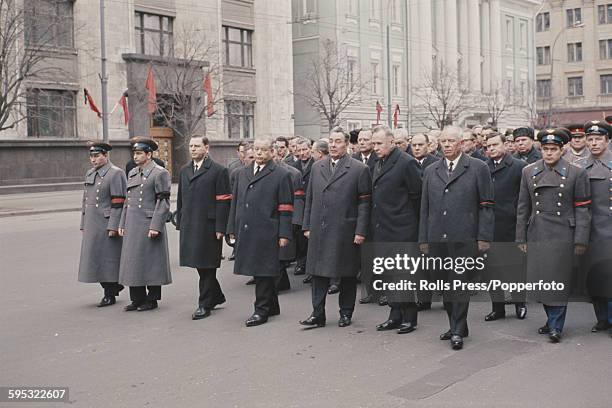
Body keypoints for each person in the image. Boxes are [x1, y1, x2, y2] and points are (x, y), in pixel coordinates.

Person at [419, 125, 495, 350]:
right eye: (443, 141)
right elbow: (425, 208)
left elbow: (487, 205)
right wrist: (423, 238)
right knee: (443, 283)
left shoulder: (477, 167)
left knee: (459, 284)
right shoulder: (432, 170)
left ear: (461, 143)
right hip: (437, 237)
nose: (447, 145)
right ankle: (457, 324)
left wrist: (483, 237)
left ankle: (457, 329)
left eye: (451, 141)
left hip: (465, 236)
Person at [516, 128, 591, 343]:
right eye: (546, 149)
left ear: (562, 149)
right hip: (538, 231)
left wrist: (580, 239)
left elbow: (583, 209)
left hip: (563, 232)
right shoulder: (528, 171)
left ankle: (556, 325)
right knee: (543, 280)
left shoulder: (576, 173)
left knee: (557, 279)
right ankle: (551, 320)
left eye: (554, 149)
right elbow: (523, 207)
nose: (549, 153)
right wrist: (520, 237)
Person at [300, 127, 372, 328]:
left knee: (346, 273)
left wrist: (360, 231)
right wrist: (307, 225)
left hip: (344, 230)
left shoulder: (358, 169)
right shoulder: (317, 167)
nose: (333, 145)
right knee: (318, 273)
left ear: (347, 144)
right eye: (331, 141)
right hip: (319, 228)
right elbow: (310, 199)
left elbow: (364, 204)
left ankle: (346, 313)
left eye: (338, 141)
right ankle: (317, 313)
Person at [227, 138, 294, 327]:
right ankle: (272, 305)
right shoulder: (241, 173)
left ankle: (261, 309)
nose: (259, 153)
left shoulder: (281, 174)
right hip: (246, 228)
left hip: (268, 230)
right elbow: (236, 202)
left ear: (272, 152)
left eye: (263, 150)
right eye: (256, 149)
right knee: (260, 269)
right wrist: (231, 228)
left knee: (263, 270)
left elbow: (286, 207)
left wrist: (284, 234)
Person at [368, 125, 422, 334]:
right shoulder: (378, 162)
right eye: (373, 143)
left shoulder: (406, 163)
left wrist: (413, 228)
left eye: (379, 143)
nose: (375, 147)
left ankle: (410, 317)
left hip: (403, 229)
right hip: (383, 228)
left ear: (392, 142)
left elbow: (417, 196)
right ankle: (394, 314)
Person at [175, 135, 231, 320]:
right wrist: (180, 220)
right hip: (191, 224)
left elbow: (224, 201)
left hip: (209, 226)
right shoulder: (184, 170)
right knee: (199, 264)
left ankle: (204, 304)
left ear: (206, 148)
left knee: (208, 265)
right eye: (191, 146)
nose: (193, 149)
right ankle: (216, 296)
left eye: (197, 146)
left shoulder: (218, 171)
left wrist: (221, 227)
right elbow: (181, 199)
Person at [118, 138, 172, 312]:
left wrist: (156, 225)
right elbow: (128, 201)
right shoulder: (132, 172)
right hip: (133, 223)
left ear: (149, 154)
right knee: (133, 262)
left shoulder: (159, 173)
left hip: (149, 223)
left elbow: (163, 202)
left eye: (140, 153)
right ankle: (137, 298)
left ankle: (152, 299)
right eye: (135, 153)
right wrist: (122, 222)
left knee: (151, 262)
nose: (136, 156)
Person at [483, 132, 528, 321]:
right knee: (492, 269)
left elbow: (525, 200)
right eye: (488, 146)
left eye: (495, 145)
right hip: (489, 226)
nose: (491, 149)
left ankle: (519, 304)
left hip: (510, 225)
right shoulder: (483, 168)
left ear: (504, 145)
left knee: (514, 268)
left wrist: (521, 227)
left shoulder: (519, 167)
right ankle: (498, 307)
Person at [78, 142, 126, 307]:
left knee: (108, 260)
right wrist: (83, 223)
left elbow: (119, 201)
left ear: (106, 155)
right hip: (92, 223)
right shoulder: (90, 173)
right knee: (93, 259)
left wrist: (114, 225)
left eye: (97, 156)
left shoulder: (116, 173)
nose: (93, 159)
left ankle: (110, 293)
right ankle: (114, 286)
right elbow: (85, 201)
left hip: (106, 223)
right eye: (91, 156)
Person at [583, 121, 612, 337]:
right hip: (590, 232)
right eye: (590, 139)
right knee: (594, 279)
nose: (593, 143)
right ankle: (601, 319)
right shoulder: (580, 168)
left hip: (609, 230)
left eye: (598, 139)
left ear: (607, 140)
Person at [293, 138, 314, 276]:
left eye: (305, 149)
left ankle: (311, 264)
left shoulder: (318, 165)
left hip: (312, 203)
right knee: (299, 235)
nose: (302, 153)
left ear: (310, 149)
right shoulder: (294, 167)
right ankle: (301, 262)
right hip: (299, 205)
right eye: (299, 150)